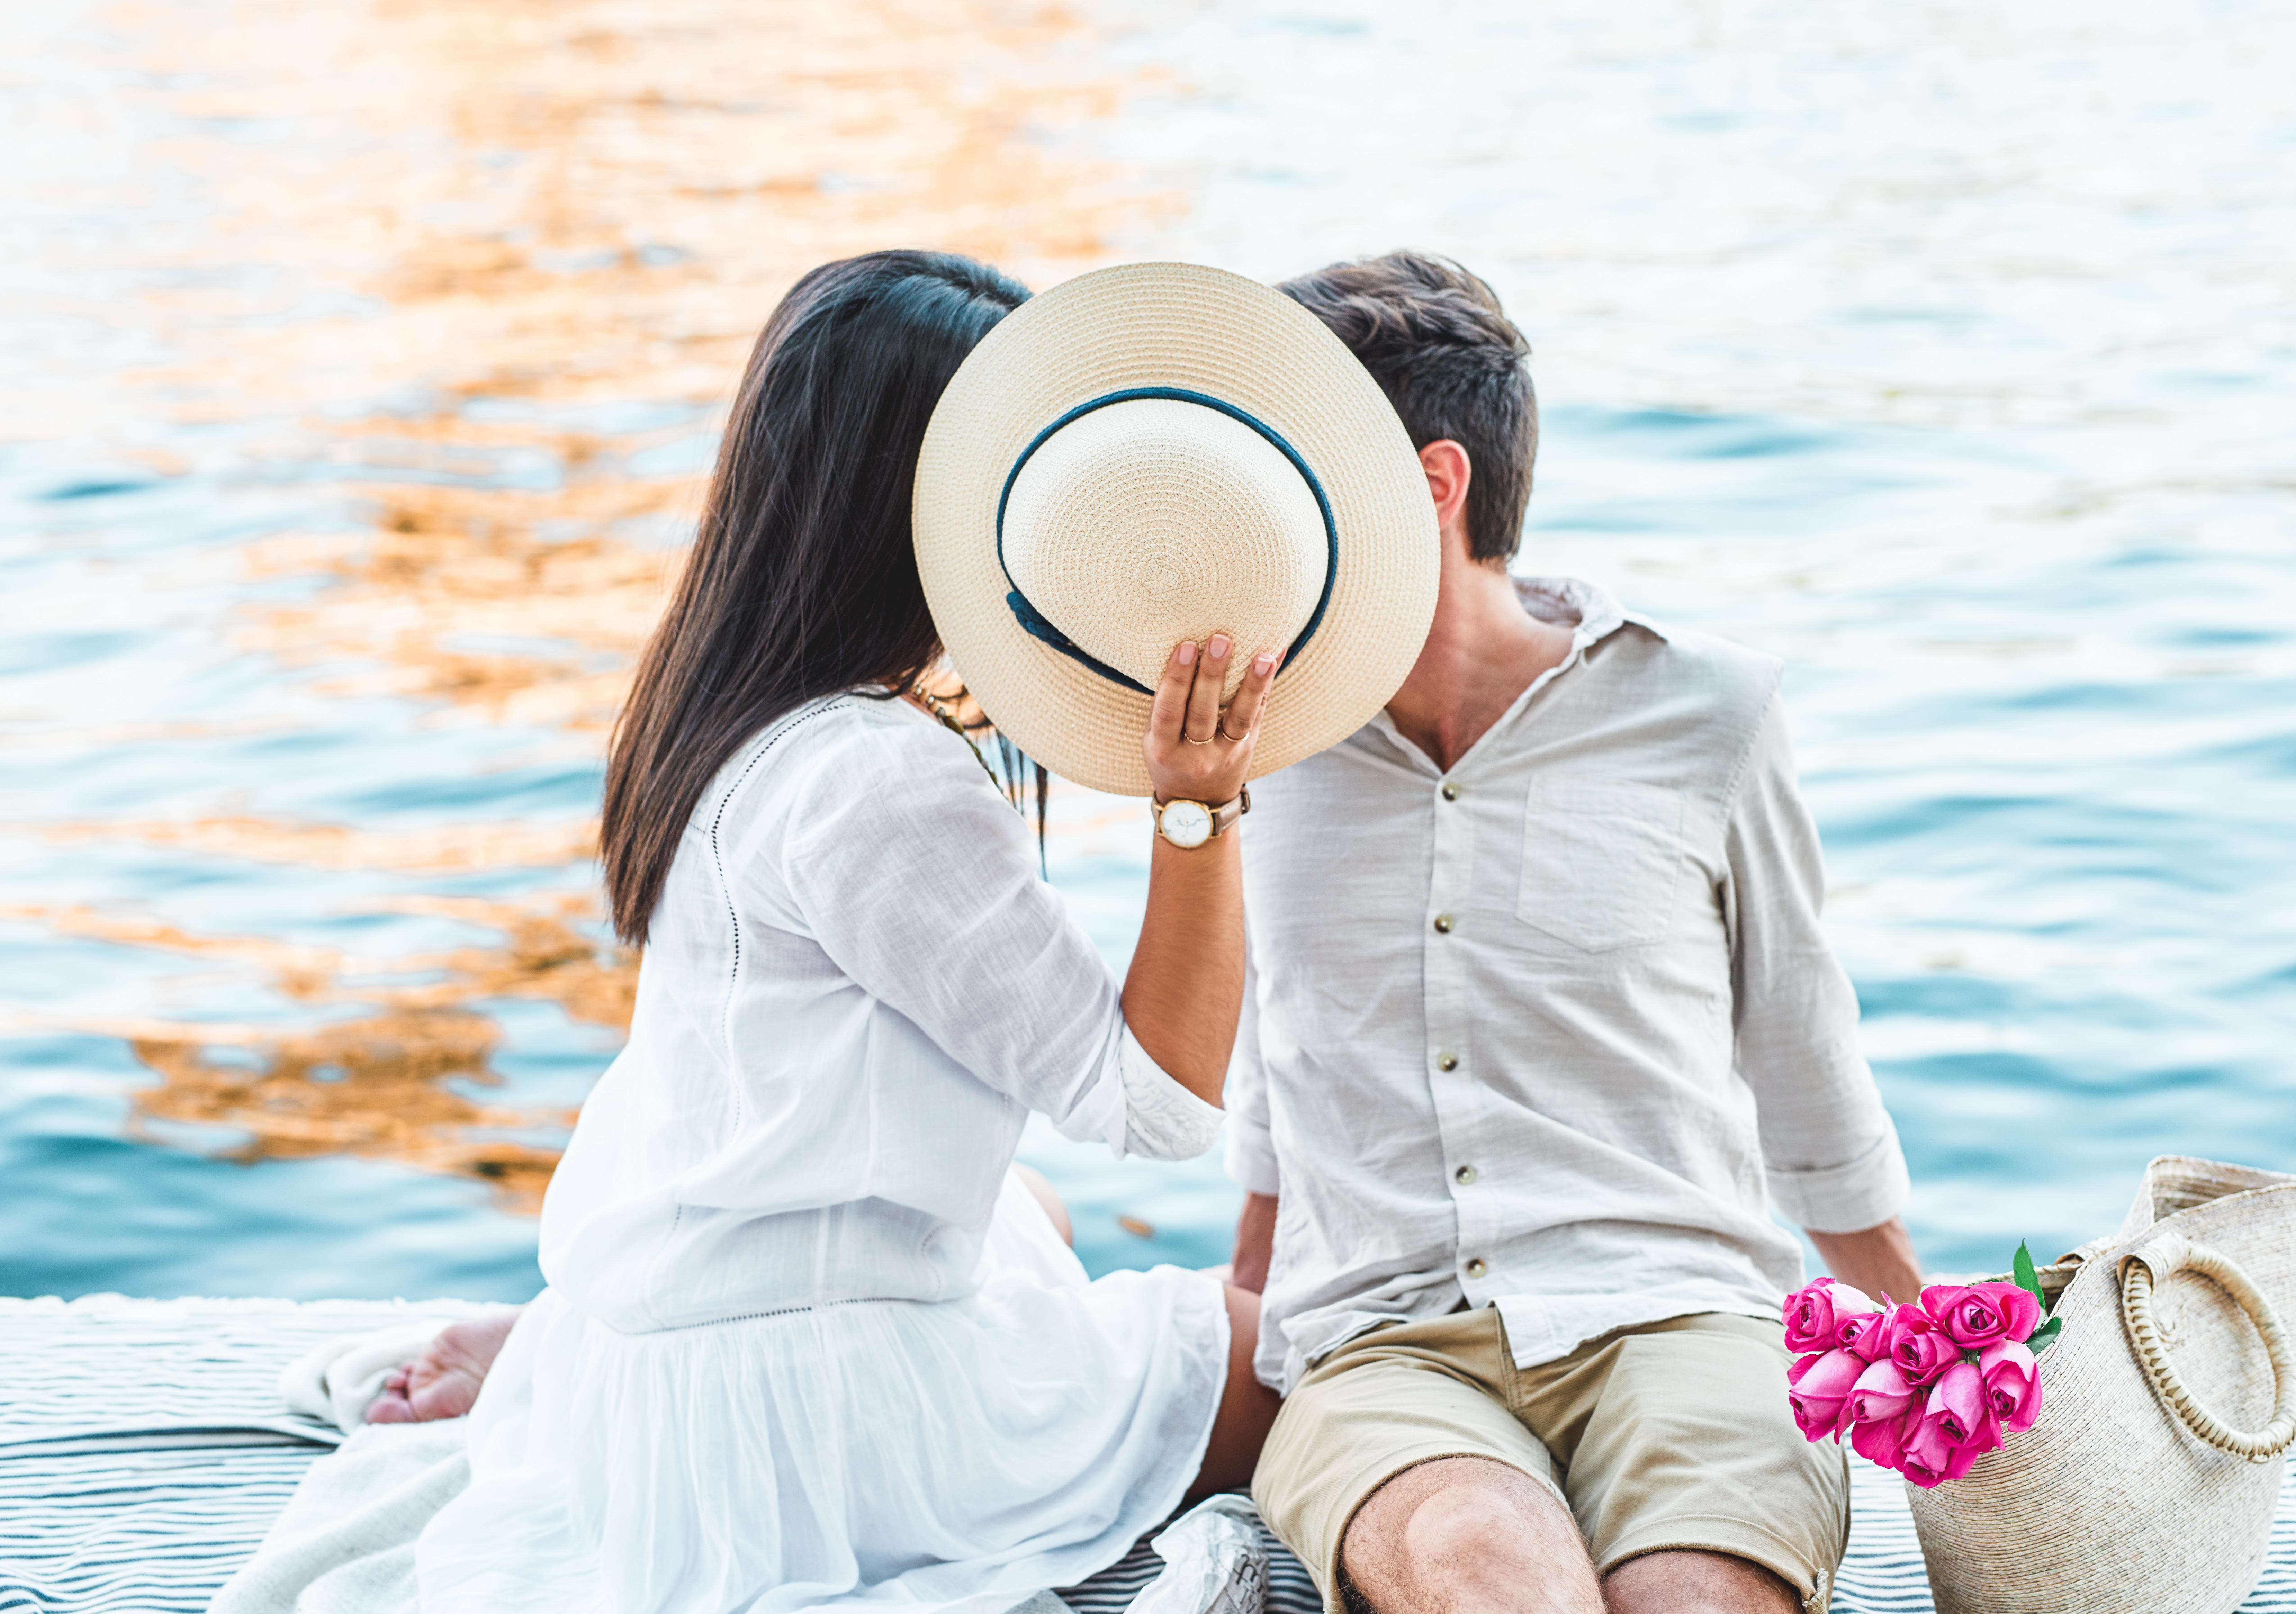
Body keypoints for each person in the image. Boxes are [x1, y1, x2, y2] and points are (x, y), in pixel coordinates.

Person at [403, 250, 1285, 1614]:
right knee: (1268, 1353)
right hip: (801, 1442)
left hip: (648, 1354)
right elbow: (1160, 1106)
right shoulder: (882, 779)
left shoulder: (723, 706)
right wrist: (1196, 811)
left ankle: (538, 1344)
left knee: (1024, 1207)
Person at [1223, 252, 1925, 1614]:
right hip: (1382, 1349)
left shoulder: (1703, 709)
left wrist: (1935, 1334)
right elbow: (1272, 1055)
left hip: (1680, 1310)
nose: (1251, 522)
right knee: (1479, 1567)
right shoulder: (1255, 742)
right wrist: (1243, 1309)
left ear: (1431, 487)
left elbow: (1800, 1048)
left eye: (1284, 478)